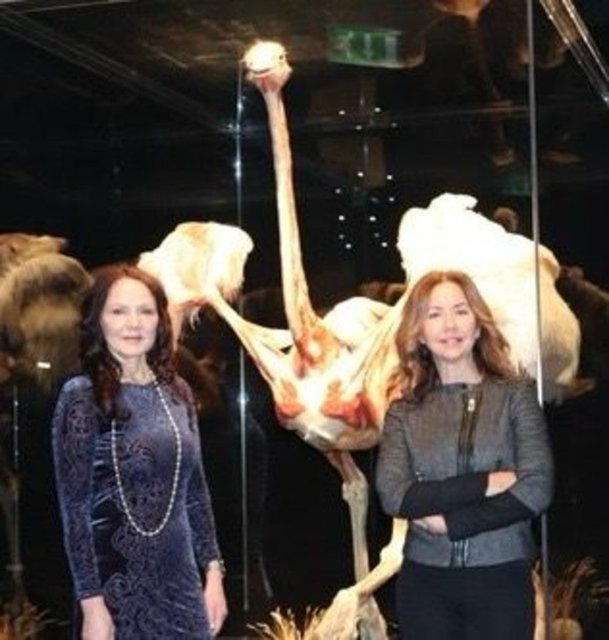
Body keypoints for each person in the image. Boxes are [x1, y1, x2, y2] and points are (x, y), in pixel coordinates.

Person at [375, 269, 553, 640]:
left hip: (501, 582)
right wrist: (488, 482)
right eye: (434, 314)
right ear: (419, 332)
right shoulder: (403, 412)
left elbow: (537, 489)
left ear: (477, 325)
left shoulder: (516, 395)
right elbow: (395, 495)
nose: (450, 325)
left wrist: (451, 523)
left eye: (460, 311)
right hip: (425, 585)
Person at [52, 264, 228, 639]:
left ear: (160, 321)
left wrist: (213, 574)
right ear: (98, 320)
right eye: (119, 311)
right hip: (114, 594)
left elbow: (195, 493)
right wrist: (91, 605)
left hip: (182, 589)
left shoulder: (178, 392)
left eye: (145, 311)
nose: (133, 323)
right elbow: (74, 512)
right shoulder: (81, 396)